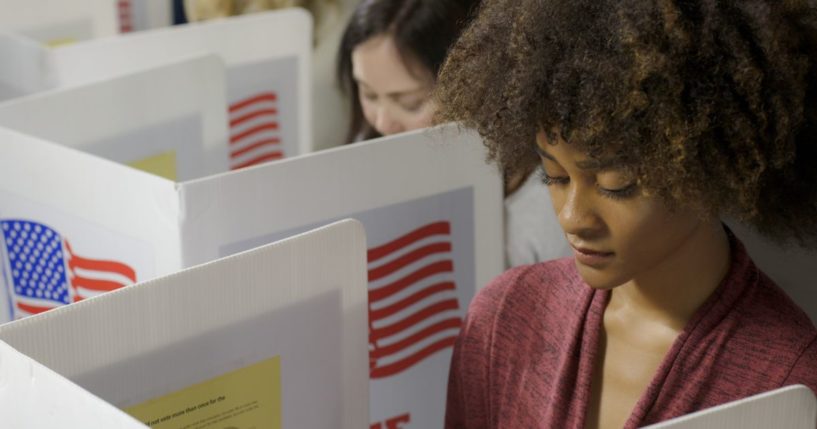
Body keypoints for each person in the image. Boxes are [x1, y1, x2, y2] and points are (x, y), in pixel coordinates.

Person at [434, 0, 817, 428]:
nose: (573, 217)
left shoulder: (788, 384)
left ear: (706, 169)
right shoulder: (504, 322)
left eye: (616, 185)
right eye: (555, 176)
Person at [337, 0, 571, 266]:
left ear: (478, 87)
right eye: (368, 94)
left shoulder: (545, 212)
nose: (382, 122)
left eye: (409, 103)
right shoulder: (367, 152)